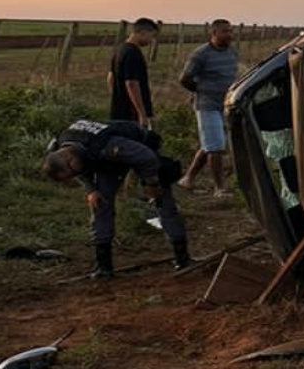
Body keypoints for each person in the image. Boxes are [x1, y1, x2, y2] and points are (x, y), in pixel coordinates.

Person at [40, 119, 191, 280]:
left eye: (72, 173)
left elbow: (147, 158)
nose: (75, 176)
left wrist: (151, 183)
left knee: (161, 199)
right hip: (105, 160)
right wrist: (91, 190)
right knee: (100, 204)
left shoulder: (107, 147)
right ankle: (103, 267)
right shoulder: (63, 146)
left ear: (70, 159)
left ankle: (182, 257)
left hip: (140, 149)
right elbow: (82, 169)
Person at [177, 19, 239, 197]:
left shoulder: (232, 52)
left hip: (225, 105)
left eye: (230, 31)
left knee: (210, 143)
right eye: (225, 32)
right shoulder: (201, 54)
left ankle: (187, 179)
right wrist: (200, 91)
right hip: (207, 105)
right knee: (216, 147)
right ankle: (220, 188)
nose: (229, 35)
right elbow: (185, 79)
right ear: (214, 34)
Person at [108, 18, 158, 128]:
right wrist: (141, 113)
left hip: (118, 110)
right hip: (132, 113)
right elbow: (131, 83)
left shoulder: (119, 50)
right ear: (143, 32)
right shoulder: (133, 53)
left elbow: (110, 78)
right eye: (151, 36)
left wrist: (117, 97)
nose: (151, 41)